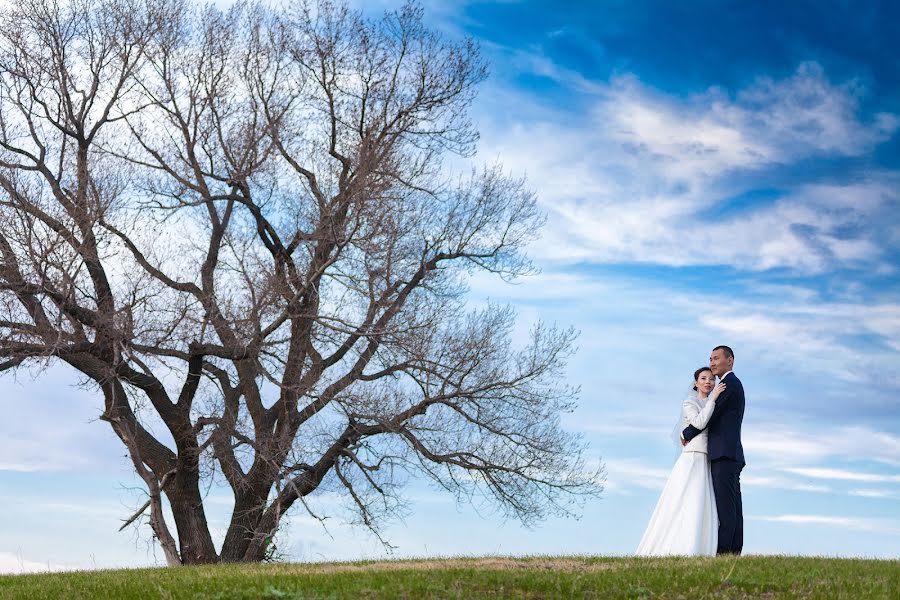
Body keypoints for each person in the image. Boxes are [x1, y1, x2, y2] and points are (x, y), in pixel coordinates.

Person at [636, 367, 725, 556]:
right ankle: (678, 546)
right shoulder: (689, 402)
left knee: (701, 503)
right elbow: (699, 423)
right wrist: (713, 400)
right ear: (696, 383)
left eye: (711, 379)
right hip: (692, 457)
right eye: (703, 378)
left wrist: (712, 401)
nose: (708, 382)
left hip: (705, 457)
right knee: (685, 500)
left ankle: (700, 547)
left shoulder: (711, 403)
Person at [682, 345, 746, 555]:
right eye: (710, 358)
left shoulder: (729, 384)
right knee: (733, 504)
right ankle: (733, 550)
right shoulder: (729, 384)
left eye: (716, 358)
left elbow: (712, 415)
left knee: (726, 506)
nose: (712, 362)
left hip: (724, 454)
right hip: (729, 453)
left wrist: (687, 433)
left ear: (730, 360)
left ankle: (725, 550)